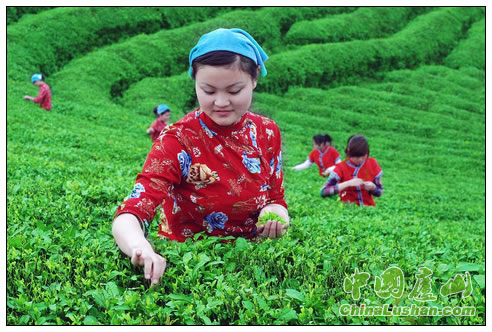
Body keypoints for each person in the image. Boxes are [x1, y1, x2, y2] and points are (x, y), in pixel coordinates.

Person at [112, 28, 289, 286]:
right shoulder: (178, 140)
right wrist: (140, 247)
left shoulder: (267, 132)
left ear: (254, 80)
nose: (220, 102)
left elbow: (275, 197)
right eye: (208, 90)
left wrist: (275, 215)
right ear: (194, 82)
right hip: (193, 263)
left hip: (251, 264)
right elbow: (132, 209)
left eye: (234, 90)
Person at [320, 134, 383, 206]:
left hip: (369, 210)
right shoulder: (341, 167)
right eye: (356, 157)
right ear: (349, 152)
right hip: (348, 210)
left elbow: (379, 192)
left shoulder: (373, 163)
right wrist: (348, 183)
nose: (360, 160)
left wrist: (373, 188)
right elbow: (323, 191)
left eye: (363, 156)